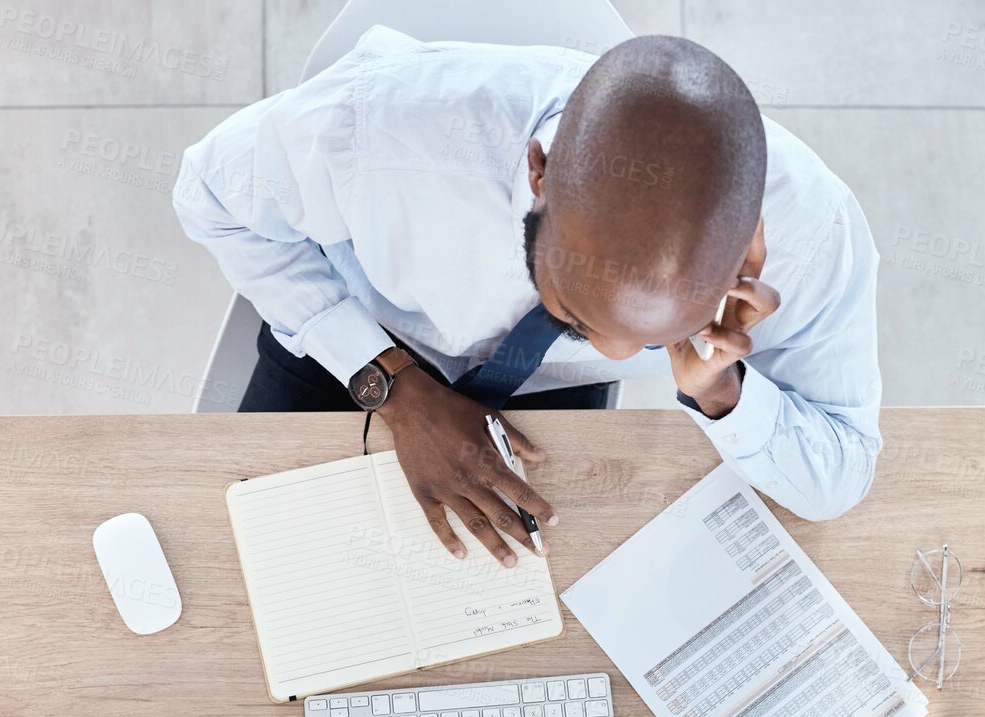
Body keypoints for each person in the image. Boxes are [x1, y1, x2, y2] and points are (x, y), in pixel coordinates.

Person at [176, 30, 881, 566]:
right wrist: (396, 387)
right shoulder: (387, 124)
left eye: (660, 336)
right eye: (578, 315)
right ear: (537, 173)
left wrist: (721, 391)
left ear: (749, 249)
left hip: (544, 390)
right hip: (360, 336)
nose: (616, 355)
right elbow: (207, 195)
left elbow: (839, 476)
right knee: (246, 567)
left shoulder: (813, 237)